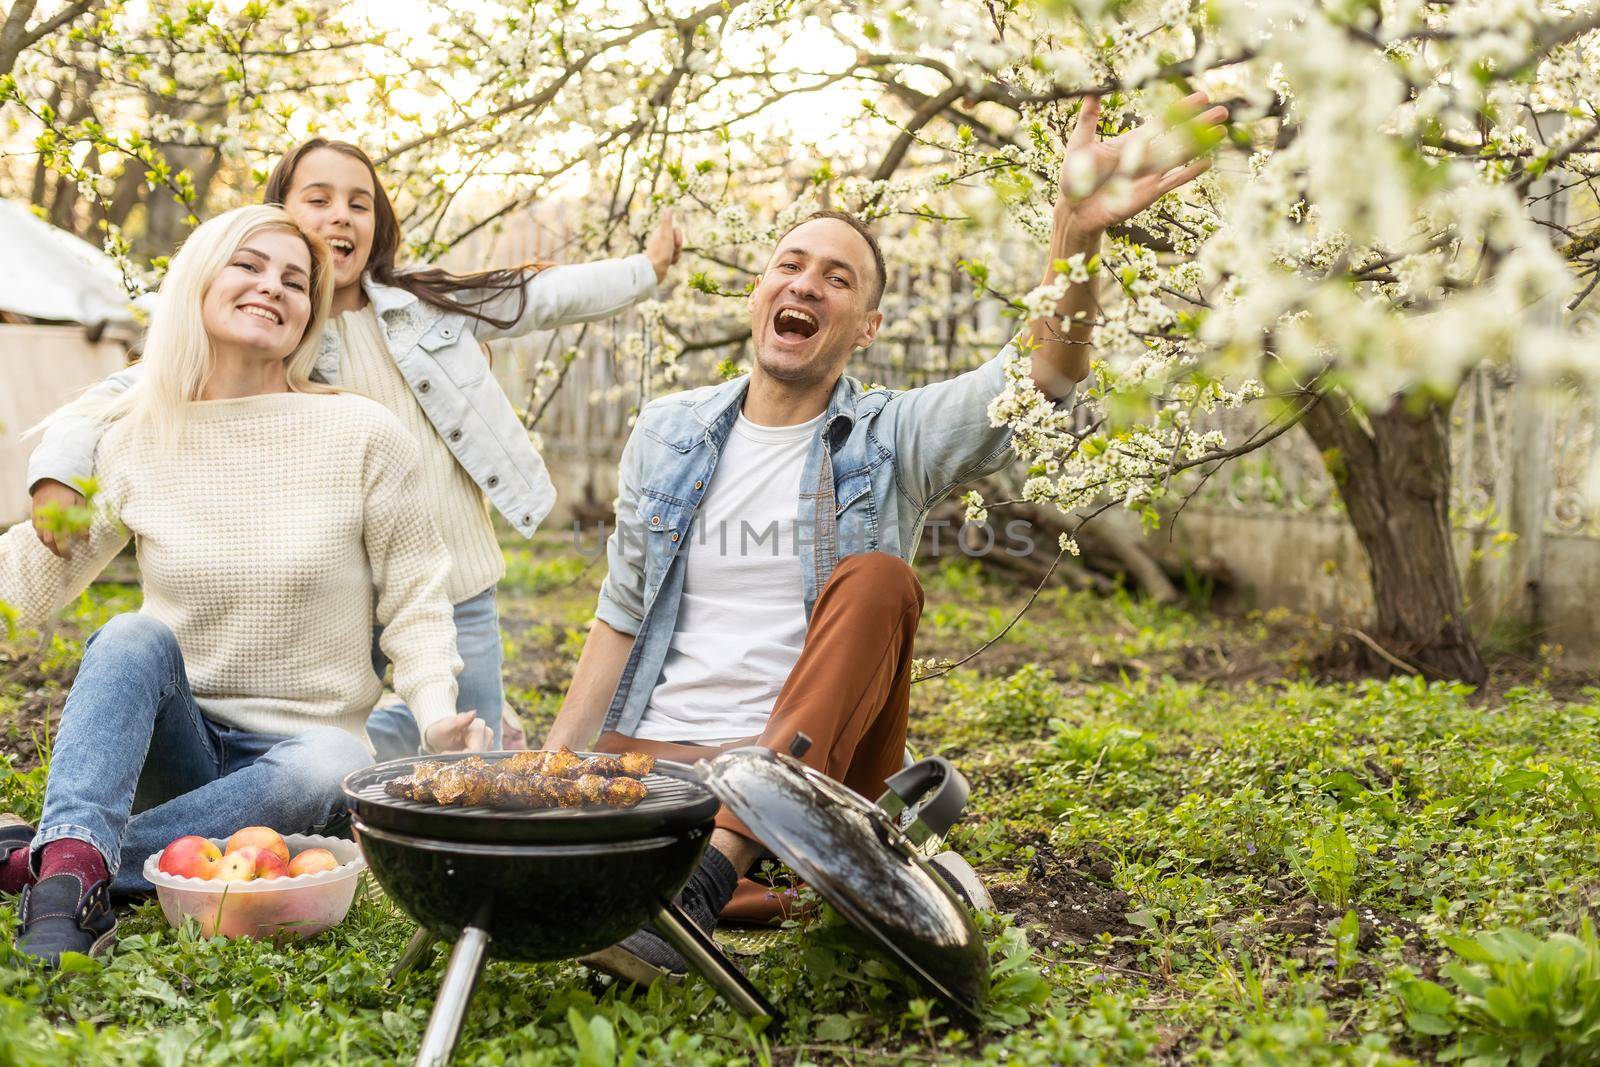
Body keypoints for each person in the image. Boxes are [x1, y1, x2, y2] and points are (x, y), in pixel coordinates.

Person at [548, 93, 1230, 983]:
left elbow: (1044, 373)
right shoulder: (668, 433)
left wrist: (1078, 240)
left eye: (837, 278)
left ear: (866, 328)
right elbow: (622, 618)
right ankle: (757, 881)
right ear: (759, 296)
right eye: (789, 265)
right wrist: (550, 774)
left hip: (812, 776)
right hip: (662, 760)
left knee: (876, 578)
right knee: (553, 810)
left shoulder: (891, 437)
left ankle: (707, 882)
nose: (805, 283)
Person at [24, 138, 685, 758]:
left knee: (466, 752)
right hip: (339, 591)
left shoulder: (423, 305)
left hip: (455, 579)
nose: (340, 215)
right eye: (318, 199)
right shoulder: (275, 340)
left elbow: (538, 296)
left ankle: (467, 730)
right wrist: (59, 472)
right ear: (276, 213)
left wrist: (644, 269)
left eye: (358, 203)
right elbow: (118, 393)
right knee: (340, 750)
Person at [0, 206, 484, 966]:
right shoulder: (136, 436)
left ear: (308, 316)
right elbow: (31, 580)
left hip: (301, 766)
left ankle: (57, 865)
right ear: (200, 279)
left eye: (295, 280)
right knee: (132, 634)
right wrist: (50, 498)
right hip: (183, 751)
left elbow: (416, 603)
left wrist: (437, 715)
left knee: (331, 757)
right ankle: (74, 880)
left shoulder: (362, 433)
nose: (273, 287)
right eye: (250, 266)